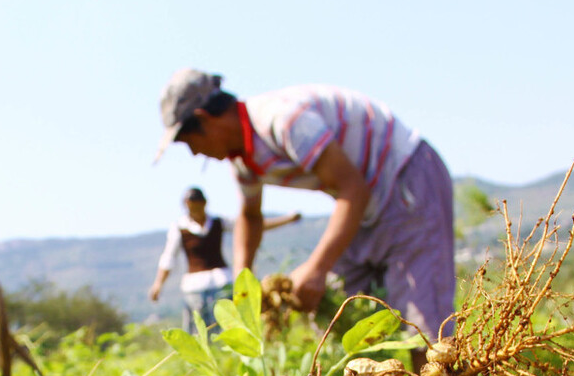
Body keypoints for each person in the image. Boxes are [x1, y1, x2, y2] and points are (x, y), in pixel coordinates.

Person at [154, 69, 457, 357]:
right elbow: (250, 216)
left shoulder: (282, 120)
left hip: (406, 178)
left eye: (189, 142)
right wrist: (244, 287)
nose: (194, 153)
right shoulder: (244, 160)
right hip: (362, 202)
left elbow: (353, 188)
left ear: (204, 119)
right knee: (342, 311)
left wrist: (317, 268)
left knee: (426, 323)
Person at [149, 186, 299, 333]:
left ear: (204, 203)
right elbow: (168, 258)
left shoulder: (218, 223)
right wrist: (158, 284)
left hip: (221, 282)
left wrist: (287, 219)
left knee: (228, 328)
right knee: (199, 330)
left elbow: (252, 226)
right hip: (194, 286)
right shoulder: (179, 228)